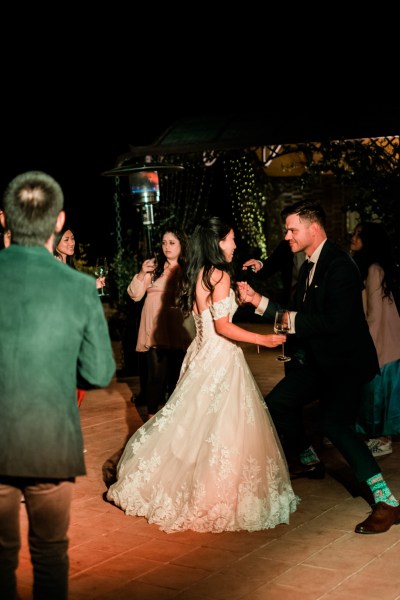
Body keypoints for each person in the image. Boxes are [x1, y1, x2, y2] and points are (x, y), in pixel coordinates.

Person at [106, 216, 299, 533]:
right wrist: (263, 339)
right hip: (219, 354)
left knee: (196, 423)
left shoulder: (201, 272)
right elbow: (223, 327)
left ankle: (180, 481)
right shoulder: (219, 273)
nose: (235, 244)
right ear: (218, 241)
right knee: (220, 425)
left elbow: (207, 316)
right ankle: (214, 493)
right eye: (231, 238)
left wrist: (239, 299)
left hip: (201, 351)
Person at [240, 199, 400, 535]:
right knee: (277, 404)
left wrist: (275, 317)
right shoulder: (308, 262)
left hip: (345, 364)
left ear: (314, 229)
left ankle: (387, 501)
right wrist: (258, 301)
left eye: (292, 229)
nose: (286, 236)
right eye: (286, 229)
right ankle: (310, 460)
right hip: (319, 360)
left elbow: (331, 321)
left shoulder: (340, 266)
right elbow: (298, 309)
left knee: (336, 425)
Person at [0, 171, 116, 599]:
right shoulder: (78, 287)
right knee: (49, 554)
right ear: (58, 220)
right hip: (50, 440)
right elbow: (101, 372)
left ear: (5, 220)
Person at [126, 226, 193, 420]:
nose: (167, 247)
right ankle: (150, 419)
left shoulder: (188, 270)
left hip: (177, 329)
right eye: (164, 243)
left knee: (176, 378)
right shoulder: (154, 268)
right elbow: (135, 295)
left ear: (181, 245)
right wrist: (141, 272)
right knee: (155, 376)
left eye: (172, 243)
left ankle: (173, 420)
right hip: (154, 329)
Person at [350, 222, 400, 457]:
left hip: (381, 341)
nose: (353, 237)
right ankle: (378, 436)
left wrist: (364, 347)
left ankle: (382, 438)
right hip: (384, 338)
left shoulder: (373, 269)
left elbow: (374, 315)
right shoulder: (373, 268)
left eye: (358, 235)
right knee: (375, 391)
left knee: (377, 391)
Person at [54, 224, 105, 291]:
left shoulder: (68, 265)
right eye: (66, 240)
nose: (72, 243)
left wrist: (94, 284)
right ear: (55, 242)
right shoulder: (54, 265)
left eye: (72, 238)